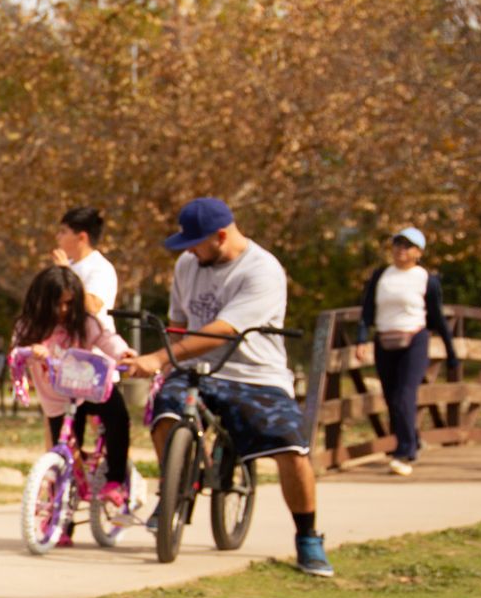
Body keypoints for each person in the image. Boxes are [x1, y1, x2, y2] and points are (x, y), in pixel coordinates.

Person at [123, 198, 334, 578]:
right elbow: (179, 323)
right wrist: (164, 357)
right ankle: (174, 487)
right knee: (164, 413)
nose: (188, 250)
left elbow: (223, 331)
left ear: (221, 236)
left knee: (292, 447)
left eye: (195, 242)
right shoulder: (188, 264)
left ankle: (308, 537)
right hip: (195, 370)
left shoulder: (263, 270)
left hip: (254, 375)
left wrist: (158, 358)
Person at [12, 266, 131, 546]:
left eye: (69, 303)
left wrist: (123, 353)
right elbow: (16, 351)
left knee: (118, 418)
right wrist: (32, 351)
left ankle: (115, 480)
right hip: (57, 398)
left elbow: (107, 340)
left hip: (91, 389)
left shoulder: (85, 324)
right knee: (63, 458)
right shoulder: (28, 327)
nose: (64, 309)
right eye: (58, 302)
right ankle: (60, 523)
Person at [357, 227, 459, 476]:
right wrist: (362, 339)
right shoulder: (381, 275)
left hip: (414, 339)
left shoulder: (426, 279)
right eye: (397, 244)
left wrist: (451, 352)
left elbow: (437, 316)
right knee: (391, 397)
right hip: (384, 340)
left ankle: (405, 451)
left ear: (418, 252)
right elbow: (367, 310)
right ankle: (412, 437)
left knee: (405, 395)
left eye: (407, 246)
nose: (400, 250)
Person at [46, 206, 134, 486]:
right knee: (66, 432)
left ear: (81, 236)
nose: (58, 238)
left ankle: (116, 481)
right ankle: (63, 502)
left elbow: (94, 305)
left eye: (63, 232)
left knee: (116, 420)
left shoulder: (100, 268)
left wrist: (63, 274)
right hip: (68, 364)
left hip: (97, 365)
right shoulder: (70, 267)